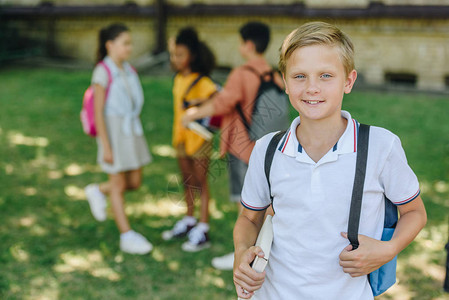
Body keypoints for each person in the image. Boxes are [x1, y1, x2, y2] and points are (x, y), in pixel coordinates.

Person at [233, 21, 427, 299]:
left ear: (348, 81)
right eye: (299, 76)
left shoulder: (380, 147)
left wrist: (387, 249)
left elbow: (415, 213)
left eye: (325, 75)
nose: (312, 88)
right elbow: (249, 218)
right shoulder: (267, 150)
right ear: (285, 82)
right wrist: (241, 254)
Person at [182, 21, 284, 269]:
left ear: (248, 44)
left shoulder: (242, 73)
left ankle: (243, 254)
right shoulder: (274, 75)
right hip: (270, 150)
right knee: (265, 204)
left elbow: (223, 104)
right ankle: (263, 253)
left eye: (240, 42)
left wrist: (192, 113)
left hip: (243, 149)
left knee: (246, 206)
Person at [84, 23, 153, 255]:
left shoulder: (127, 68)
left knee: (133, 182)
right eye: (125, 43)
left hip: (131, 130)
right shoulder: (102, 72)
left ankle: (97, 190)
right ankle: (126, 235)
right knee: (118, 184)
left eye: (130, 43)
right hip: (113, 131)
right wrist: (105, 144)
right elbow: (98, 111)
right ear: (110, 45)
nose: (129, 48)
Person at [161, 27, 218, 252]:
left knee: (201, 182)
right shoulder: (178, 79)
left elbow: (216, 106)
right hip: (181, 139)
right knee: (187, 179)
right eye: (173, 54)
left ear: (192, 55)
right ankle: (189, 219)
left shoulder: (203, 82)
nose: (176, 59)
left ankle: (203, 226)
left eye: (180, 55)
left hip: (200, 140)